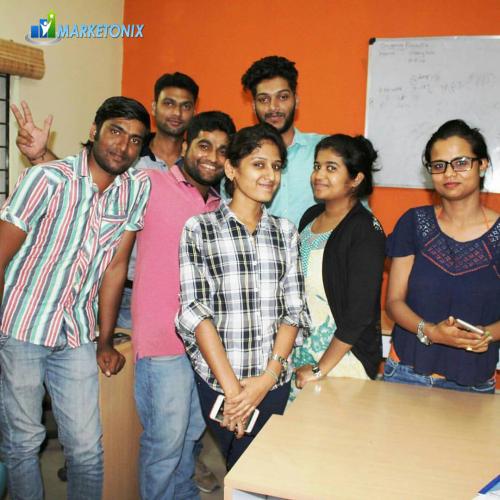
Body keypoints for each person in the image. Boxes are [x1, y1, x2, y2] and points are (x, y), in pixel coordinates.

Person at [0, 96, 151, 499]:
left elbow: (116, 268)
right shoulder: (46, 180)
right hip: (22, 327)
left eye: (135, 140)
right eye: (116, 131)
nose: (123, 145)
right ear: (94, 131)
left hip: (77, 332)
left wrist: (105, 341)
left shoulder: (135, 189)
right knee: (23, 442)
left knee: (86, 448)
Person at [12, 71, 199, 330]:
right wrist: (41, 155)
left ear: (194, 112)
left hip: (174, 295)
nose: (176, 112)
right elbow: (82, 187)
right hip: (116, 292)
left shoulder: (200, 166)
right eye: (169, 103)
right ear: (155, 107)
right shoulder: (126, 157)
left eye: (185, 106)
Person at [176, 123, 310, 470]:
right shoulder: (199, 229)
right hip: (219, 383)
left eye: (276, 166)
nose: (270, 175)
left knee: (260, 471)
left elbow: (294, 310)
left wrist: (266, 380)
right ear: (232, 169)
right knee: (240, 470)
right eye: (258, 164)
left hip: (272, 381)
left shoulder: (285, 232)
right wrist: (235, 393)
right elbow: (196, 312)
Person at [132, 111, 235, 499]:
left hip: (206, 346)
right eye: (204, 145)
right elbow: (96, 190)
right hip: (163, 343)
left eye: (222, 151)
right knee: (165, 444)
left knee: (191, 436)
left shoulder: (221, 208)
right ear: (186, 145)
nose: (212, 157)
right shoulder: (149, 182)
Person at [384, 119, 500, 393]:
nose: (449, 173)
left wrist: (485, 335)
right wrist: (431, 332)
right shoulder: (414, 223)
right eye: (439, 165)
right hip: (406, 373)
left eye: (461, 163)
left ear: (482, 164)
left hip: (472, 383)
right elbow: (394, 302)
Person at [291, 135, 385, 400]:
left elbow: (359, 314)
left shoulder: (365, 230)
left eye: (331, 168)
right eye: (317, 166)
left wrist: (319, 369)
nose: (319, 175)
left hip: (342, 360)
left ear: (356, 179)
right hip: (301, 354)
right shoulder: (310, 216)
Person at [229, 55, 324, 226]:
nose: (273, 107)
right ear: (253, 106)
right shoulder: (238, 156)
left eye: (283, 97)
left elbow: (355, 213)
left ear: (296, 100)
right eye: (264, 99)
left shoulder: (325, 151)